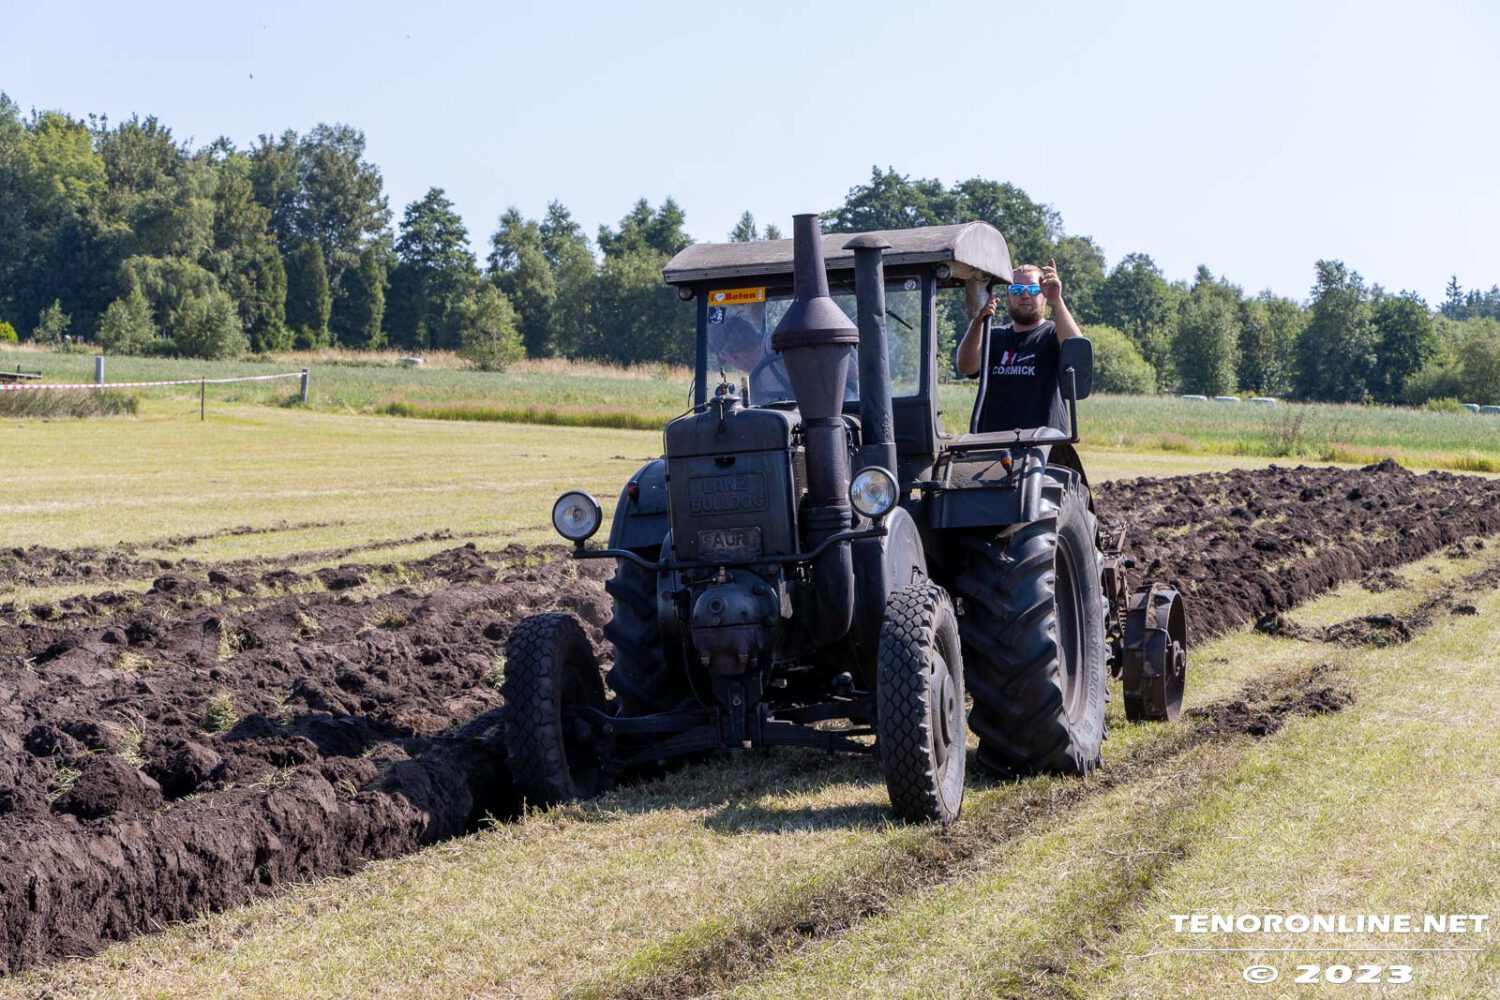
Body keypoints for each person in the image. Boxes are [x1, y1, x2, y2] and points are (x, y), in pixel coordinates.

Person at [955, 259, 1082, 433]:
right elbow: (966, 366)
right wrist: (978, 320)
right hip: (992, 442)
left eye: (1033, 289)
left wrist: (1056, 301)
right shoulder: (994, 336)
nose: (1025, 295)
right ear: (1008, 294)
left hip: (1042, 442)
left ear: (1044, 294)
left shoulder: (1053, 334)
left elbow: (1077, 354)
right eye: (1016, 289)